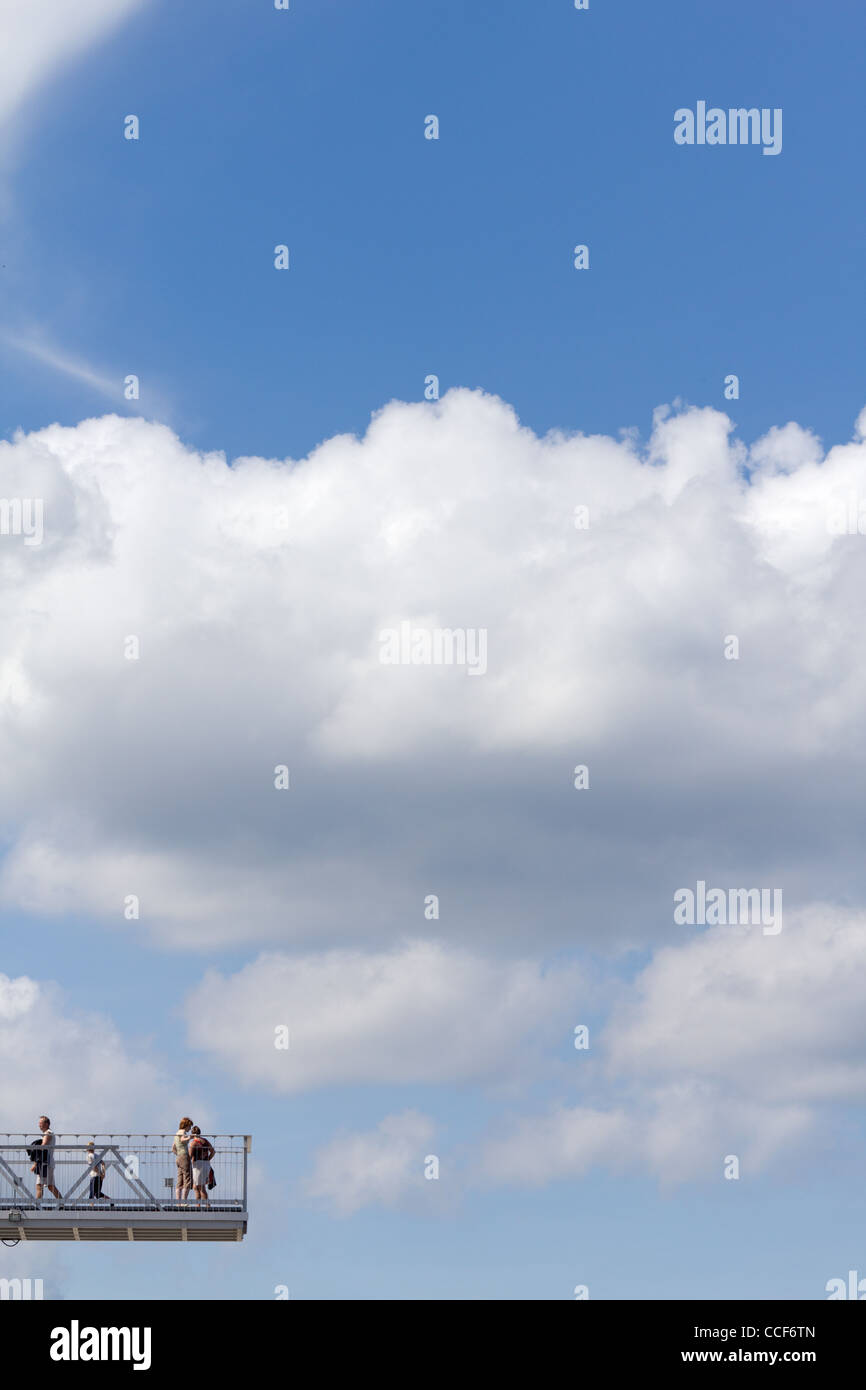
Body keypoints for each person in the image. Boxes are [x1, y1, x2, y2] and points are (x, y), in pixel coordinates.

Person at [30, 1115, 62, 1203]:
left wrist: (34, 1149)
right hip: (47, 1163)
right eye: (39, 1123)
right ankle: (61, 1203)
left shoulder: (48, 1133)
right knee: (50, 1186)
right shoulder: (47, 1133)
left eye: (41, 1123)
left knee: (39, 1185)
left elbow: (43, 1146)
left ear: (47, 1124)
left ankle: (37, 1205)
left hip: (45, 1164)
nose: (39, 1125)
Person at [187, 1127, 215, 1208]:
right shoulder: (205, 1141)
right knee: (196, 1186)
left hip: (198, 1165)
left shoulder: (193, 1143)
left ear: (192, 1134)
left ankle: (206, 1205)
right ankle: (199, 1205)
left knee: (200, 1187)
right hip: (206, 1164)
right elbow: (213, 1151)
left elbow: (190, 1156)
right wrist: (208, 1159)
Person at [172, 1118, 193, 1203]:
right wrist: (190, 1137)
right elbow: (182, 1139)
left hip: (178, 1158)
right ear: (186, 1125)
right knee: (187, 1179)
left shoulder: (176, 1134)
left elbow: (173, 1148)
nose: (190, 1129)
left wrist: (178, 1154)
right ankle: (184, 1201)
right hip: (184, 1156)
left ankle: (178, 1202)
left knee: (179, 1180)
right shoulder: (183, 1133)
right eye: (189, 1126)